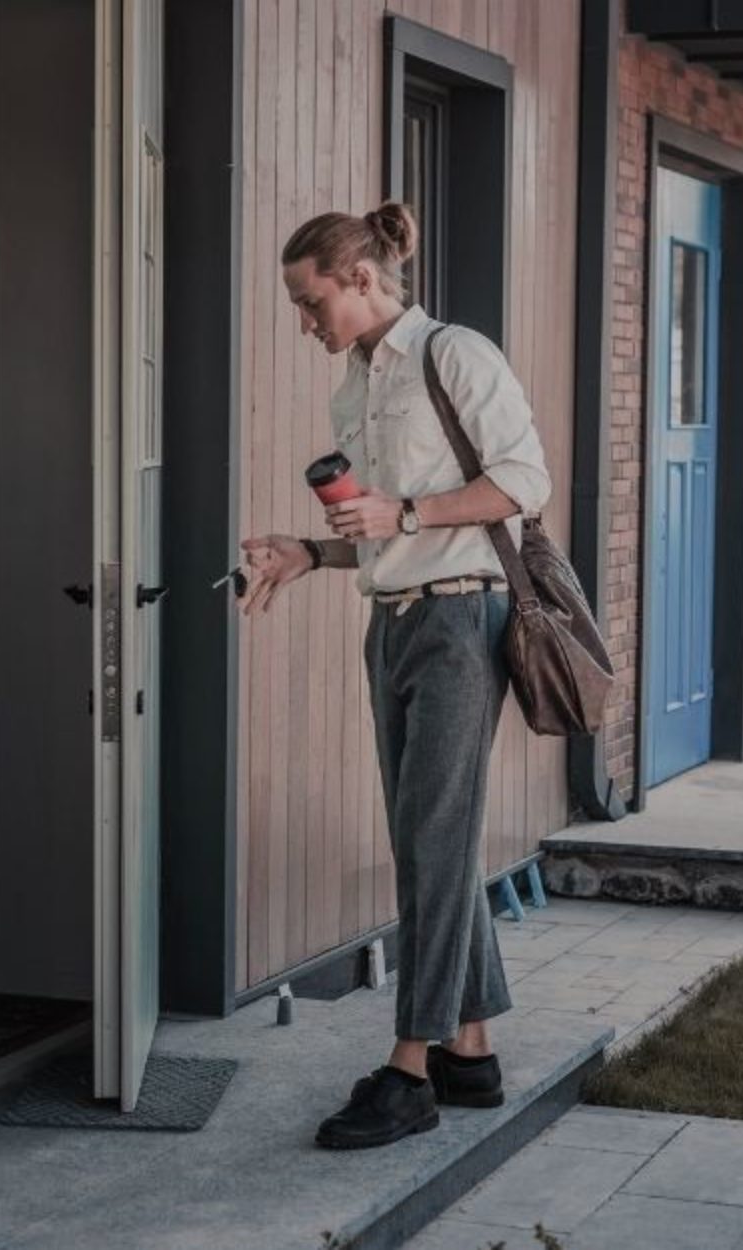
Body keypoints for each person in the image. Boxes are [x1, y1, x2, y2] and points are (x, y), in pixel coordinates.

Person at [239, 201, 552, 1150]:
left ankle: (409, 1072)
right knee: (435, 838)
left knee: (429, 842)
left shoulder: (457, 355)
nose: (305, 321)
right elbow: (376, 531)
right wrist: (307, 551)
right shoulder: (352, 388)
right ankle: (472, 1053)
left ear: (361, 278)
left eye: (310, 299)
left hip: (464, 617)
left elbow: (524, 484)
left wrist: (406, 515)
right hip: (393, 624)